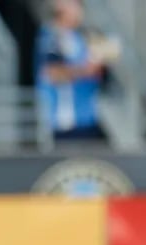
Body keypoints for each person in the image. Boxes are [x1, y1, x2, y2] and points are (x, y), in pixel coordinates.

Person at [35, 0, 115, 140]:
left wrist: (102, 63)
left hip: (90, 120)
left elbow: (101, 70)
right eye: (74, 5)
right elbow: (52, 74)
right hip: (64, 124)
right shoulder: (50, 36)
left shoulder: (83, 37)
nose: (79, 10)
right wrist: (85, 70)